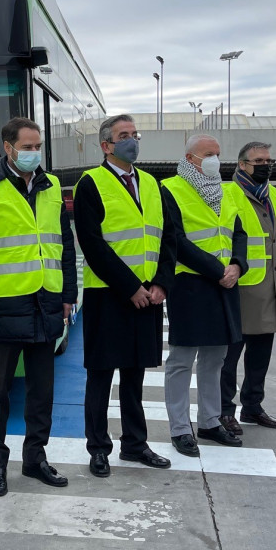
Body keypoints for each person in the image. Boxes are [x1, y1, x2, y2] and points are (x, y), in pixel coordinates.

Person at [0, 117, 77, 496]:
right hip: (3, 303)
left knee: (41, 389)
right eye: (27, 147)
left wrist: (68, 297)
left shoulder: (50, 188)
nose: (34, 153)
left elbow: (64, 244)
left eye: (37, 146)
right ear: (8, 147)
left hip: (45, 301)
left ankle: (35, 458)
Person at [73, 114, 176, 476]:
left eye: (135, 134)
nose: (132, 140)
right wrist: (129, 286)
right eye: (124, 135)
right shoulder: (91, 183)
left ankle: (135, 443)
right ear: (106, 145)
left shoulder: (151, 184)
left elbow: (168, 237)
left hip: (149, 295)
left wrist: (162, 282)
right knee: (100, 375)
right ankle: (98, 447)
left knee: (135, 375)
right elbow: (92, 243)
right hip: (109, 295)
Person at [161, 134, 248, 456]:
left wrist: (238, 265)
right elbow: (174, 239)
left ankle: (210, 422)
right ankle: (180, 428)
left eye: (218, 154)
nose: (215, 159)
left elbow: (238, 233)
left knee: (216, 358)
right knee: (182, 360)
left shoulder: (228, 190)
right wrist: (217, 270)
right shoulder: (170, 188)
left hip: (226, 282)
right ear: (190, 158)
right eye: (208, 154)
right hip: (190, 283)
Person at [220, 141, 276, 433]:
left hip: (270, 284)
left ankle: (252, 406)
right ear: (242, 164)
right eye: (259, 160)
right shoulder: (226, 193)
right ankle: (224, 410)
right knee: (228, 356)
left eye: (269, 160)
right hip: (239, 284)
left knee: (261, 353)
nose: (266, 165)